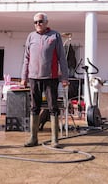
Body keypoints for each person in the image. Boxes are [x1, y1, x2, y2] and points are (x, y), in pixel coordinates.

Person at [21, 12, 69, 148]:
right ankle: (33, 138)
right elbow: (26, 58)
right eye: (35, 22)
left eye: (40, 21)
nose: (38, 24)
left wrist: (64, 77)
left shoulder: (55, 36)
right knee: (34, 107)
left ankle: (55, 140)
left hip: (51, 78)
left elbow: (62, 58)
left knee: (53, 107)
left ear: (46, 22)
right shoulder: (31, 37)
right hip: (33, 78)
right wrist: (23, 77)